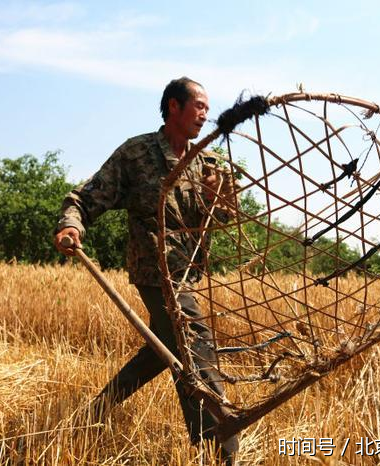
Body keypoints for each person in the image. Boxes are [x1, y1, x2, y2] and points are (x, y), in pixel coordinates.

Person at [54, 77, 239, 464]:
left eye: (207, 107)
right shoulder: (137, 153)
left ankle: (94, 413)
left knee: (163, 349)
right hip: (154, 271)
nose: (205, 114)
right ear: (174, 106)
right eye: (199, 106)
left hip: (188, 273)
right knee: (193, 343)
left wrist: (217, 197)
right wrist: (71, 225)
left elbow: (225, 216)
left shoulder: (207, 161)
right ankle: (219, 444)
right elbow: (85, 198)